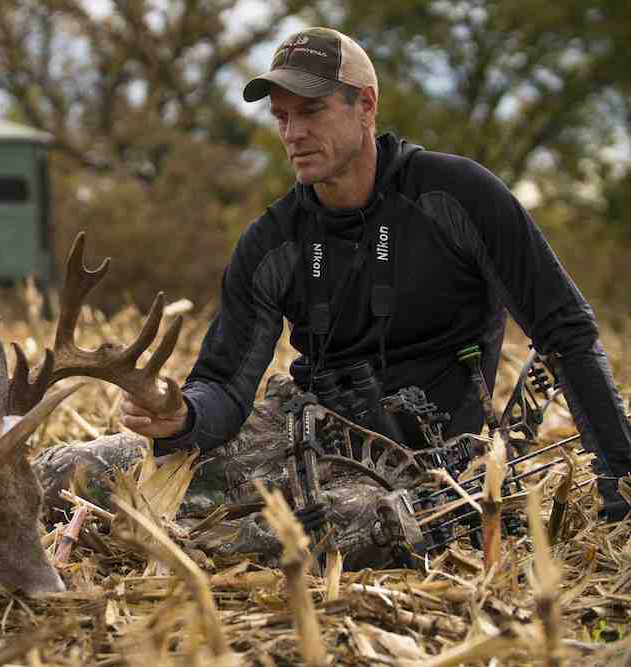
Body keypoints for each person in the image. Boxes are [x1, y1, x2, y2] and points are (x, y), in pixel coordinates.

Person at [119, 26, 631, 521]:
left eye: (311, 110)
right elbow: (225, 388)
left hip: (426, 472)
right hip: (304, 438)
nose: (294, 133)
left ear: (365, 105)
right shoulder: (272, 242)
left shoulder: (457, 195)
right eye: (281, 117)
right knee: (92, 472)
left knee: (345, 525)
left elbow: (565, 330)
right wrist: (182, 416)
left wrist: (620, 479)